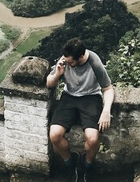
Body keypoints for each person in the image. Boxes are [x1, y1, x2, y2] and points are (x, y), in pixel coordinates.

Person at [46, 38, 114, 182]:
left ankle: (86, 165)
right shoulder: (65, 60)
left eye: (71, 62)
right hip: (69, 96)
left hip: (90, 97)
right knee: (55, 135)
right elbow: (49, 84)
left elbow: (108, 88)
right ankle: (70, 163)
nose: (68, 64)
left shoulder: (94, 61)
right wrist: (58, 74)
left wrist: (106, 111)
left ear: (81, 56)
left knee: (93, 138)